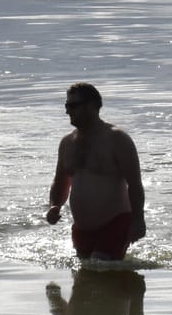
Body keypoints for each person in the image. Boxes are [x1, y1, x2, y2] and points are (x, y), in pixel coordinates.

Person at [44, 82, 145, 262]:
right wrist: (54, 205)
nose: (67, 111)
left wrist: (138, 220)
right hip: (82, 229)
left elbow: (135, 184)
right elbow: (60, 182)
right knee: (86, 269)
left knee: (99, 265)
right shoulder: (67, 143)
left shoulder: (117, 139)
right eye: (66, 106)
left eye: (73, 105)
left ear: (91, 106)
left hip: (116, 222)